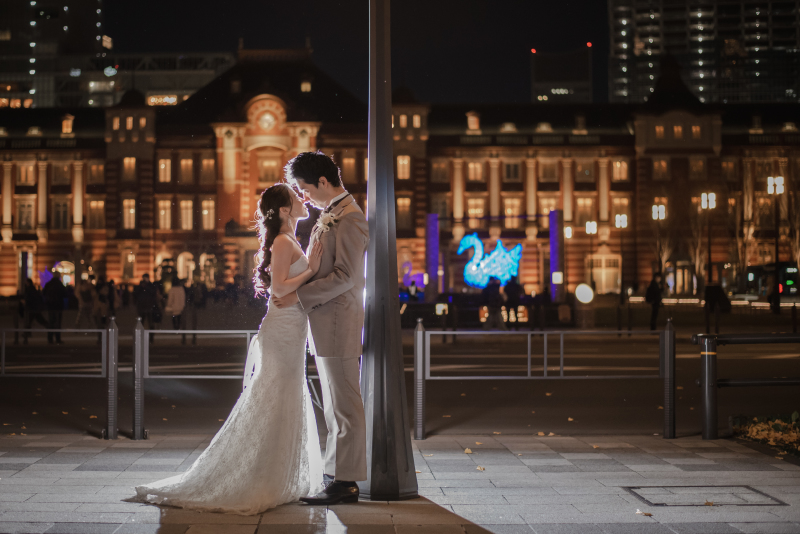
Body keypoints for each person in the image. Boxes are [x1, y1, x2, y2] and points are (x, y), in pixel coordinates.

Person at [135, 178, 325, 513]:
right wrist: (312, 272)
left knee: (282, 399)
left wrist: (309, 268)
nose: (304, 200)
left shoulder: (288, 239)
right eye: (297, 197)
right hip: (282, 332)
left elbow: (282, 289)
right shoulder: (283, 241)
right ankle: (265, 476)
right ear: (284, 210)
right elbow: (280, 290)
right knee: (276, 398)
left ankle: (274, 473)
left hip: (290, 330)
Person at [273, 151, 370, 505]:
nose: (303, 196)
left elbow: (346, 276)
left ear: (324, 183)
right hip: (326, 320)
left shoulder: (350, 218)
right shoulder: (332, 214)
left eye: (304, 189)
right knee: (334, 403)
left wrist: (299, 296)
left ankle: (346, 482)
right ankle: (336, 474)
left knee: (345, 402)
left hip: (338, 320)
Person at [42, 272, 66, 344]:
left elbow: (43, 293)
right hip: (58, 306)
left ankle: (50, 339)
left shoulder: (48, 284)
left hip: (50, 306)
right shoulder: (59, 284)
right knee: (57, 323)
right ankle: (57, 339)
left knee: (51, 322)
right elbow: (65, 294)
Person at [22, 278, 48, 343]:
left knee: (30, 321)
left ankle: (27, 334)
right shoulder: (32, 289)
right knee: (35, 320)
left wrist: (26, 303)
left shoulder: (29, 289)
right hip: (34, 308)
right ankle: (27, 334)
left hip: (32, 308)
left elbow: (29, 299)